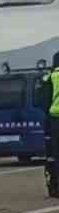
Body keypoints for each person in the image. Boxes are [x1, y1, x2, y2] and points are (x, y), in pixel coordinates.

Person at [39, 51, 59, 198]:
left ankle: (55, 187)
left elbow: (41, 100)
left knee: (54, 155)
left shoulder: (48, 78)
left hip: (54, 120)